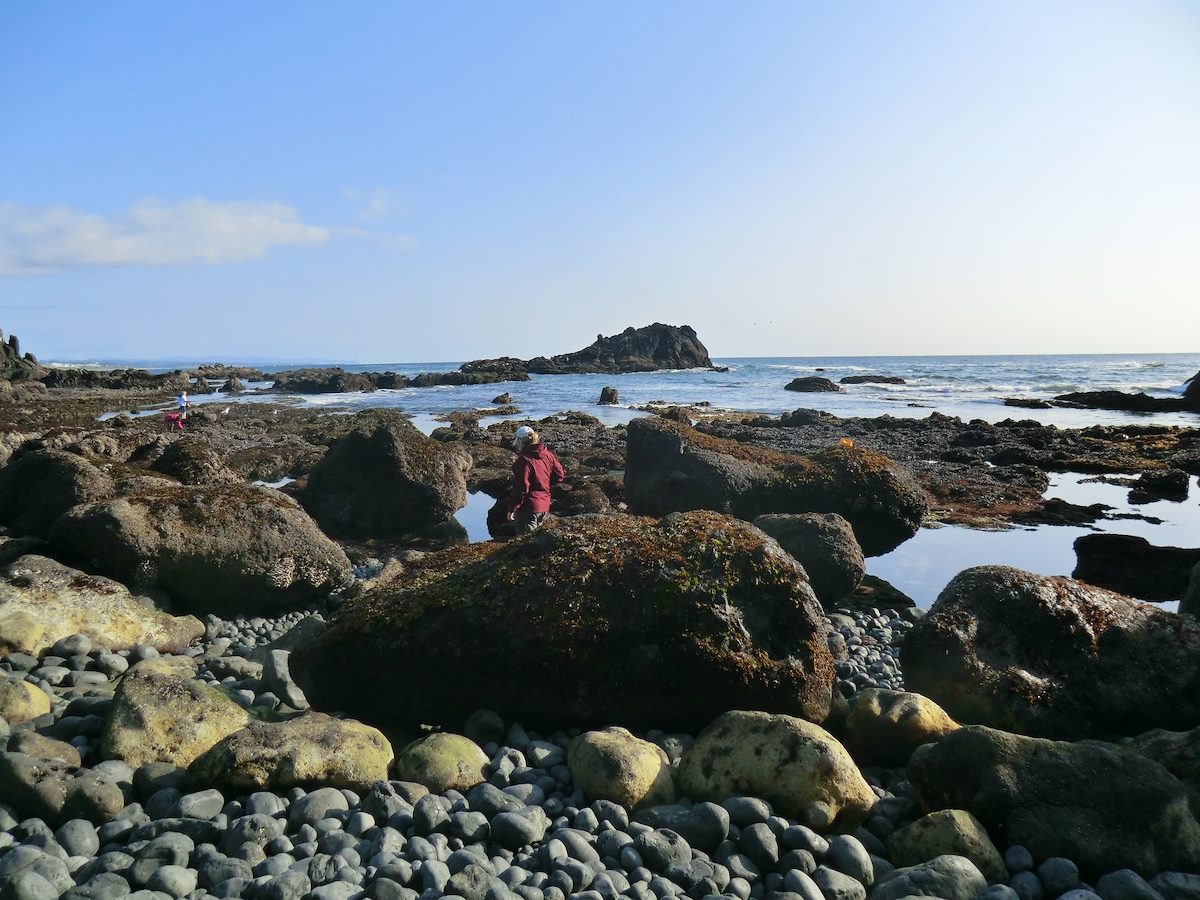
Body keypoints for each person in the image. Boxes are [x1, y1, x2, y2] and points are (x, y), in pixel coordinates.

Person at [506, 425, 564, 534]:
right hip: (544, 506)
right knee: (537, 545)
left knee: (524, 545)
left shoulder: (524, 460)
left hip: (528, 509)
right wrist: (543, 484)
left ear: (520, 442)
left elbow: (522, 488)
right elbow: (559, 475)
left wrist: (511, 509)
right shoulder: (548, 455)